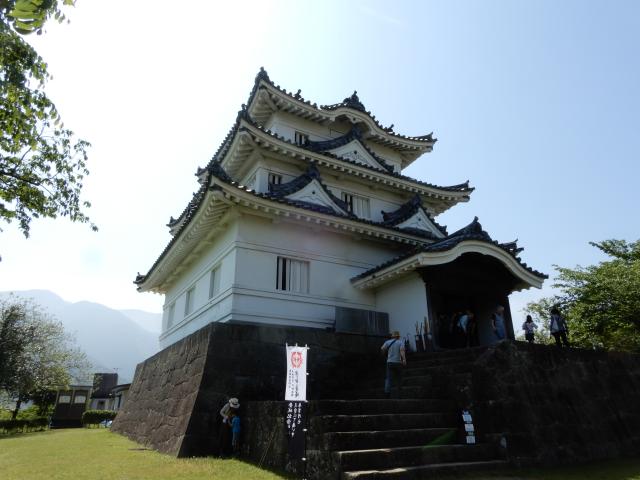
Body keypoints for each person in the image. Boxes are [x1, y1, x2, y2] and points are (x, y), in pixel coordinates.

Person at [381, 331, 406, 398]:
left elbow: (382, 349)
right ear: (398, 336)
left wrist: (385, 355)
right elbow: (402, 351)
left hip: (389, 362)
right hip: (398, 362)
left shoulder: (387, 342)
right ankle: (399, 394)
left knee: (388, 378)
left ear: (392, 336)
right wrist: (404, 359)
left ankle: (387, 393)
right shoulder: (400, 342)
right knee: (399, 378)